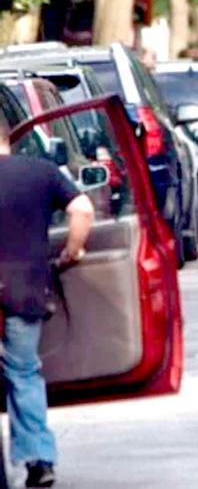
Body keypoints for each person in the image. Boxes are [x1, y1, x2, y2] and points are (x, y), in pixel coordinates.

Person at [0, 120, 95, 488]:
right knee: (23, 373)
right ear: (10, 138)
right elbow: (83, 209)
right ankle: (39, 460)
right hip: (25, 289)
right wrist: (73, 250)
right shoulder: (41, 171)